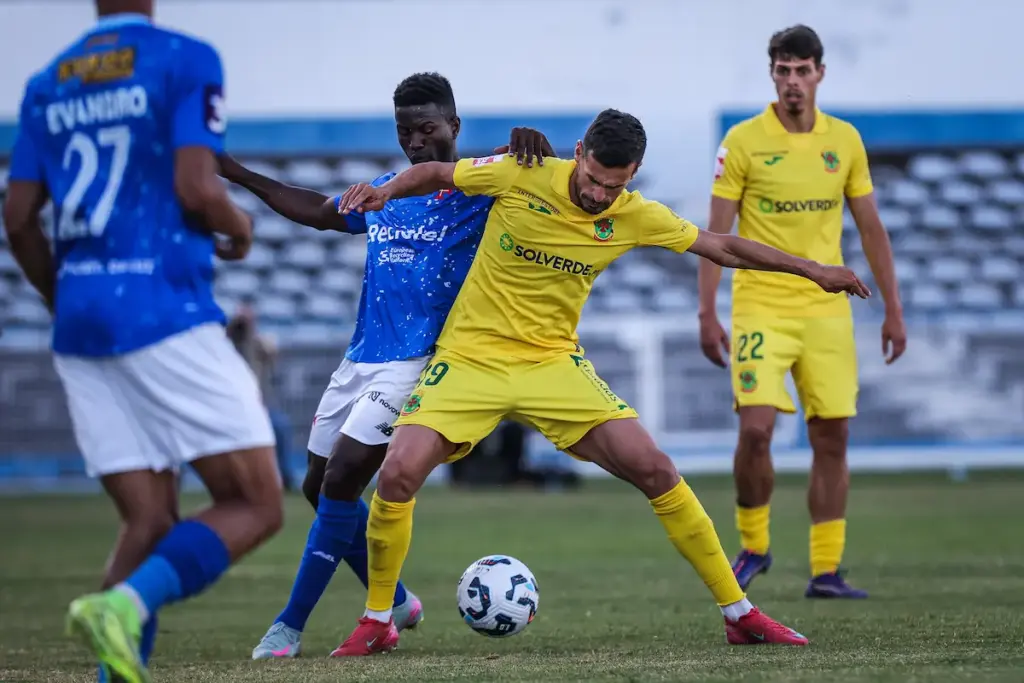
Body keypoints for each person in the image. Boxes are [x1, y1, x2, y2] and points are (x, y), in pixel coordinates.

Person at [330, 108, 873, 655]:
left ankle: (740, 613)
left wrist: (814, 269)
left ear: (632, 174)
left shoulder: (635, 214)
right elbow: (437, 174)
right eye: (592, 179)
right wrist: (388, 192)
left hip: (553, 365)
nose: (598, 195)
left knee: (657, 469)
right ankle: (379, 619)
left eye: (614, 186)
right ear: (580, 150)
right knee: (397, 474)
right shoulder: (523, 172)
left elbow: (723, 246)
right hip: (471, 359)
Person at [218, 72, 554, 659]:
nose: (415, 143)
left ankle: (289, 628)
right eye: (405, 132)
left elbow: (542, 169)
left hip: (419, 362)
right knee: (318, 489)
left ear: (454, 126)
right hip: (361, 358)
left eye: (426, 129)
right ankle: (398, 600)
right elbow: (318, 211)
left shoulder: (480, 188)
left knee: (346, 478)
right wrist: (237, 173)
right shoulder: (386, 191)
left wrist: (532, 140)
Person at [3, 2, 283, 681]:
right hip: (162, 309)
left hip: (82, 324)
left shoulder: (47, 80)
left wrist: (65, 299)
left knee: (150, 519)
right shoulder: (185, 58)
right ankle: (123, 602)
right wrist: (239, 225)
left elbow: (17, 218)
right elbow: (196, 185)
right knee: (256, 501)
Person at [697, 25, 907, 598]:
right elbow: (717, 234)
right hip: (761, 305)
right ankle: (755, 546)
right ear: (772, 73)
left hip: (827, 313)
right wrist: (707, 312)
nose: (793, 82)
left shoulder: (845, 140)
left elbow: (871, 229)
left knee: (832, 437)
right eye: (783, 70)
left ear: (820, 73)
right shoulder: (742, 142)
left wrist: (894, 310)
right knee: (757, 432)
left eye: (802, 70)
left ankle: (826, 571)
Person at [226, 301, 295, 491]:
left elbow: (271, 352)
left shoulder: (258, 343)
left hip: (260, 406)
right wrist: (234, 329)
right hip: (232, 408)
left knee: (280, 428)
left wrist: (250, 333)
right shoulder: (226, 345)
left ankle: (285, 477)